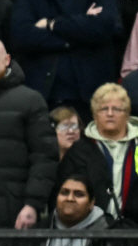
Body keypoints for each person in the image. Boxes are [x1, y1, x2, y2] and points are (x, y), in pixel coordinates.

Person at [11, 0, 122, 123]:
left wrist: (52, 24)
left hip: (91, 96)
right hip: (44, 95)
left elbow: (104, 28)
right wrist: (80, 30)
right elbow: (21, 36)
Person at [0, 38, 58, 229]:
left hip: (15, 211)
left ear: (7, 60)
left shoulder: (31, 100)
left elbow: (45, 157)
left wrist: (33, 204)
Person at [56, 83, 138, 223]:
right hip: (89, 230)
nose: (110, 113)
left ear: (127, 114)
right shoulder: (78, 151)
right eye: (104, 109)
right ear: (94, 114)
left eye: (117, 109)